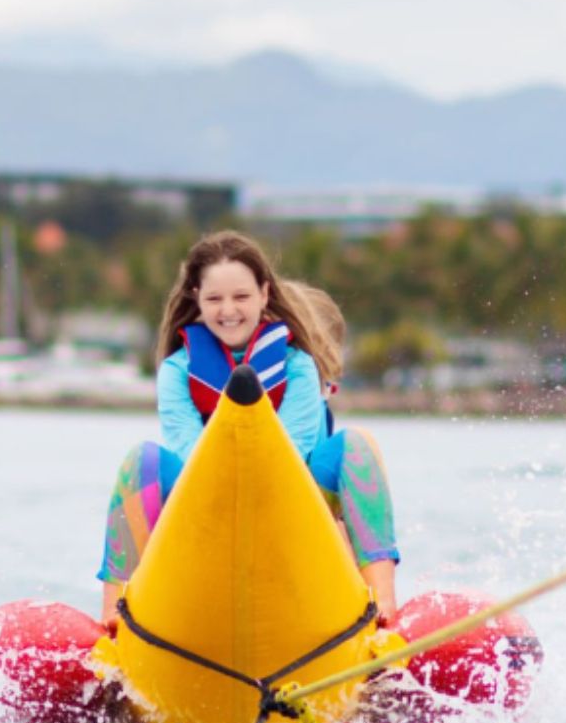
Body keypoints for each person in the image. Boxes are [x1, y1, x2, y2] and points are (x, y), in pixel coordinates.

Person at [99, 230, 399, 626]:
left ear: (264, 293)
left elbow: (294, 448)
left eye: (241, 297)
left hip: (290, 502)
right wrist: (229, 486)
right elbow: (188, 450)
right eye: (214, 299)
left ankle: (382, 604)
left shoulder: (297, 365)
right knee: (143, 460)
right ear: (196, 299)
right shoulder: (176, 371)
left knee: (356, 446)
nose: (228, 310)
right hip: (206, 502)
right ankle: (114, 615)